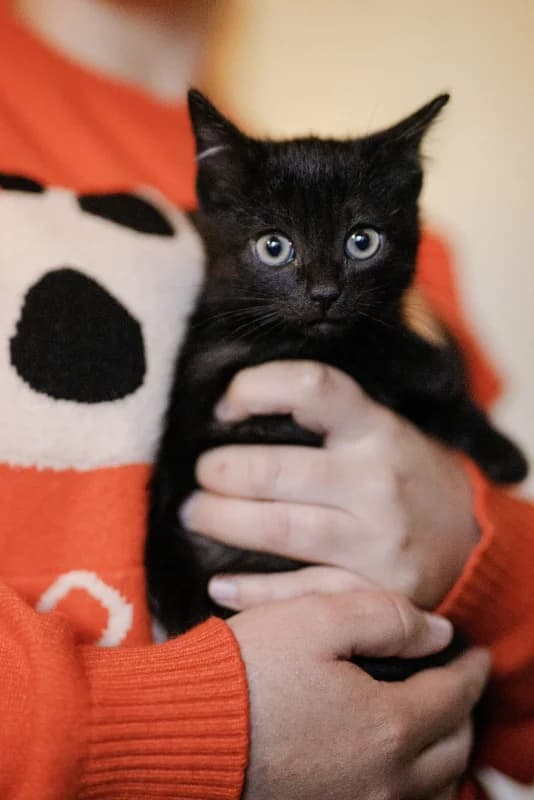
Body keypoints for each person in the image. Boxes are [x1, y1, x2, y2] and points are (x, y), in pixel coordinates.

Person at [0, 2, 530, 799]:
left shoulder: (416, 285)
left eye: (358, 246)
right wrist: (189, 727)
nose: (322, 285)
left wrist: (478, 552)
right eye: (277, 250)